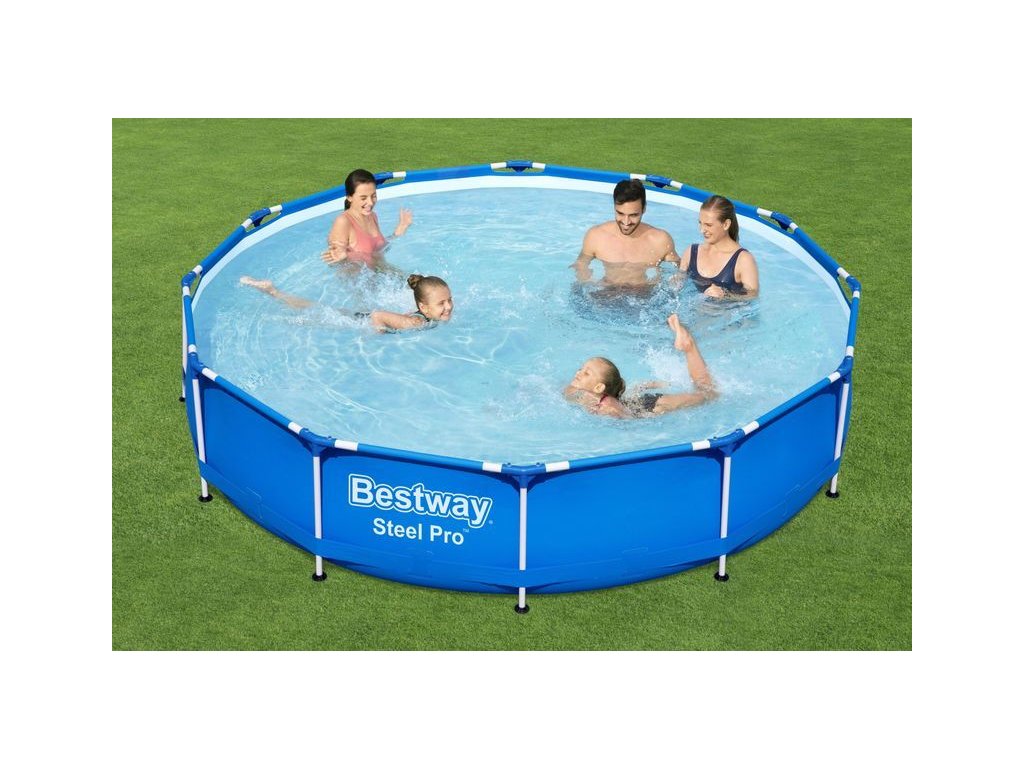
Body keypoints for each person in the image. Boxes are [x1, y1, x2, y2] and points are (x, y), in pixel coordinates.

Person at [563, 314, 716, 418]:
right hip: (632, 402)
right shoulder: (578, 391)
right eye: (581, 369)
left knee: (709, 394)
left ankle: (689, 347)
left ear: (598, 387)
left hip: (649, 408)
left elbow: (630, 421)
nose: (578, 373)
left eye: (586, 373)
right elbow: (569, 392)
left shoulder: (608, 406)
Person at [239, 274, 452, 332]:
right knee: (312, 315)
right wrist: (376, 337)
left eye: (449, 300)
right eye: (441, 303)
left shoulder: (423, 316)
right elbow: (378, 316)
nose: (448, 306)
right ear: (423, 307)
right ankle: (273, 292)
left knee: (316, 310)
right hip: (358, 322)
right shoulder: (417, 323)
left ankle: (274, 292)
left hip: (360, 317)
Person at [571, 179, 679, 293]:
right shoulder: (596, 236)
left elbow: (681, 270)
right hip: (606, 293)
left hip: (645, 295)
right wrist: (588, 282)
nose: (626, 222)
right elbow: (581, 264)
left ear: (644, 209)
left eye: (633, 215)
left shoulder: (660, 240)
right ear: (614, 207)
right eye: (620, 213)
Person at [321, 169, 413, 271]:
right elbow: (333, 262)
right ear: (349, 197)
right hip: (359, 280)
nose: (370, 202)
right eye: (363, 198)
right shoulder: (343, 221)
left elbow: (377, 251)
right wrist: (341, 260)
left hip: (383, 274)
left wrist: (400, 229)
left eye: (373, 196)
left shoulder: (372, 216)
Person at [679, 195, 759, 299]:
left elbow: (752, 296)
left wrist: (726, 295)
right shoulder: (691, 252)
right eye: (700, 223)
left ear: (726, 224)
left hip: (725, 309)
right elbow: (680, 278)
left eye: (708, 225)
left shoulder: (743, 259)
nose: (702, 230)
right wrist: (676, 280)